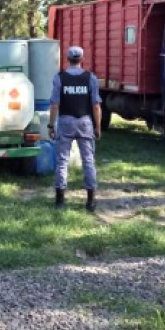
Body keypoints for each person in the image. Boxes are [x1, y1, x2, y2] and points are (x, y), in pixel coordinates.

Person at [48, 46, 103, 212]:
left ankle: (60, 201)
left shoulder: (60, 78)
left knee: (62, 160)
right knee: (88, 160)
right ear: (82, 59)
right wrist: (98, 127)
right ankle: (91, 201)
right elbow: (96, 105)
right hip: (85, 122)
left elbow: (55, 105)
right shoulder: (90, 78)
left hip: (65, 122)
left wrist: (51, 125)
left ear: (67, 59)